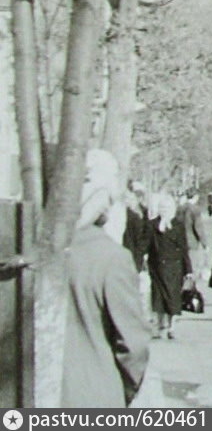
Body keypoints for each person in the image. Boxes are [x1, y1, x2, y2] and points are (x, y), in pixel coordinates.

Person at [63, 148, 151, 407]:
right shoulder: (111, 259)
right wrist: (122, 390)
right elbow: (133, 346)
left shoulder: (32, 251)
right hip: (95, 395)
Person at [145, 191, 190, 340]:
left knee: (173, 297)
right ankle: (158, 326)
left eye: (167, 207)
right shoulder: (152, 225)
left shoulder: (178, 225)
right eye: (162, 207)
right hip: (157, 267)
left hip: (175, 268)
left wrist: (188, 270)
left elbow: (184, 248)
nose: (164, 210)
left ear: (173, 208)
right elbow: (146, 245)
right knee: (158, 298)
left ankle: (172, 327)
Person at [179, 189, 209, 277]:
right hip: (191, 241)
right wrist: (205, 244)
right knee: (192, 267)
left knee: (182, 266)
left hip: (179, 240)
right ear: (195, 196)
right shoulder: (195, 209)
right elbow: (198, 228)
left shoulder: (180, 208)